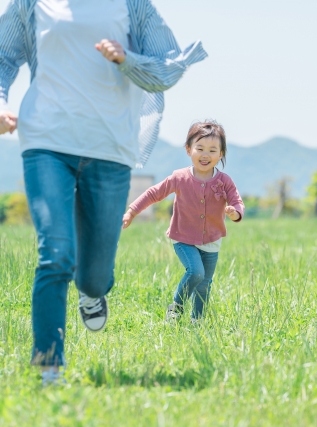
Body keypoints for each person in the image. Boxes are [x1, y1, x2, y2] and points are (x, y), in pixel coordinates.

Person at [0, 0, 207, 385]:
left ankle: (92, 291)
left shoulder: (132, 5)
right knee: (55, 254)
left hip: (109, 150)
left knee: (94, 276)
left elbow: (167, 67)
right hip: (45, 141)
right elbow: (3, 53)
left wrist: (126, 59)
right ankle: (49, 369)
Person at [123, 121, 244, 323]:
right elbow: (154, 193)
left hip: (212, 240)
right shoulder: (180, 177)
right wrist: (132, 211)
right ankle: (176, 308)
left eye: (212, 150)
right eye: (200, 148)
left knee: (205, 283)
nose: (206, 155)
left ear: (221, 154)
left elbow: (236, 202)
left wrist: (235, 213)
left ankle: (197, 321)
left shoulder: (225, 181)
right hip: (183, 238)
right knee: (196, 272)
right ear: (189, 150)